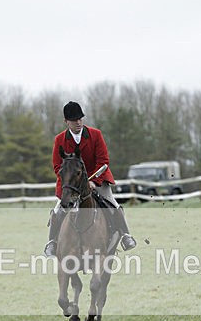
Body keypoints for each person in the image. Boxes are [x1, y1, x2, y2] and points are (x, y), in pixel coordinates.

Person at [44, 101, 137, 257]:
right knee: (57, 210)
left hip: (97, 179)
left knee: (113, 204)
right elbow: (57, 166)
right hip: (72, 184)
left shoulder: (95, 134)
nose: (78, 122)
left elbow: (103, 161)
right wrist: (72, 181)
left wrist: (93, 181)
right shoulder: (60, 139)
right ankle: (52, 242)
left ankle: (126, 235)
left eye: (80, 119)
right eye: (74, 120)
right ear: (66, 121)